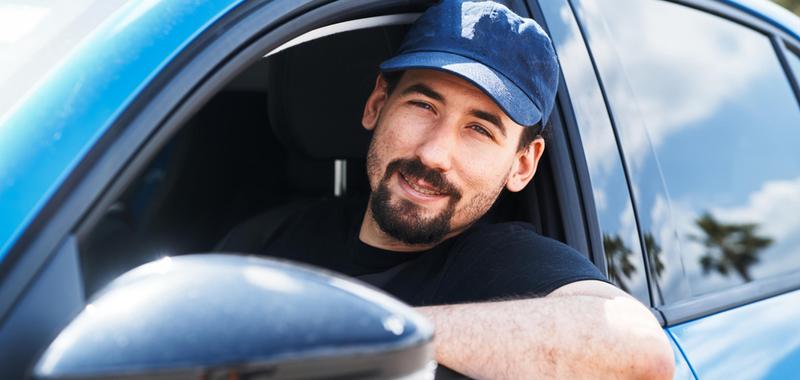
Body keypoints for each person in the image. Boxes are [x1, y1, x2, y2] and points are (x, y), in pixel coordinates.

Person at [236, 0, 675, 378]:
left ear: (522, 164)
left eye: (479, 130)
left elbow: (640, 349)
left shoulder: (498, 265)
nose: (434, 154)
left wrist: (376, 337)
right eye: (423, 105)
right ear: (377, 105)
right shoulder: (274, 235)